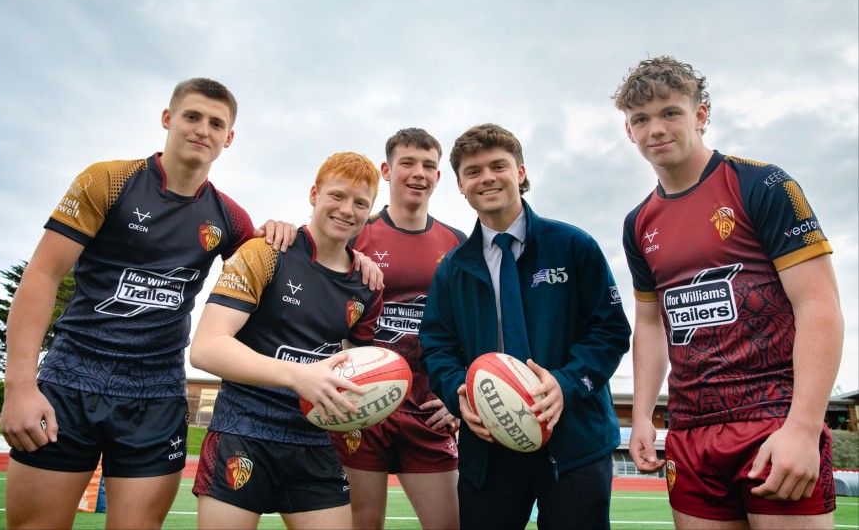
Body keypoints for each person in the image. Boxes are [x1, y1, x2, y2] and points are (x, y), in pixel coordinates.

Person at [0, 78, 268, 529]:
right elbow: (43, 275)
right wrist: (19, 387)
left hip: (157, 393)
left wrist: (287, 234)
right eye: (192, 116)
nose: (202, 129)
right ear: (168, 118)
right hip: (70, 379)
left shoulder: (230, 217)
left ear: (229, 138)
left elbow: (267, 278)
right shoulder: (108, 180)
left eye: (216, 123)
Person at [614, 56, 844, 529]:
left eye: (670, 112)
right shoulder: (638, 222)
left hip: (772, 419)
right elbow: (651, 325)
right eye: (641, 119)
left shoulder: (762, 183)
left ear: (700, 115)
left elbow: (819, 304)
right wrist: (642, 417)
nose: (655, 129)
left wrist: (802, 428)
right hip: (689, 431)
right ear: (629, 131)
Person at [419, 123, 632, 530]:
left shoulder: (573, 246)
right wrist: (460, 393)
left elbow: (610, 331)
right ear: (461, 185)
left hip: (575, 441)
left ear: (520, 172)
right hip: (489, 446)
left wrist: (565, 384)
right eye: (473, 171)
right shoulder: (452, 269)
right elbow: (437, 347)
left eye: (498, 166)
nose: (487, 178)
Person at [190, 152, 385, 530]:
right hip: (243, 432)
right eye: (337, 195)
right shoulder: (264, 251)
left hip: (314, 441)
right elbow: (206, 348)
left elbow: (359, 369)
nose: (347, 210)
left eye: (361, 203)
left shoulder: (368, 284)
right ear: (314, 194)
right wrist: (299, 376)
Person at [330, 128, 465, 530]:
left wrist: (458, 396)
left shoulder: (457, 243)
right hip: (361, 404)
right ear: (386, 171)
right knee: (363, 524)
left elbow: (469, 328)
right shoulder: (354, 233)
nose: (418, 173)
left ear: (438, 176)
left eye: (428, 165)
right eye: (407, 163)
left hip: (428, 408)